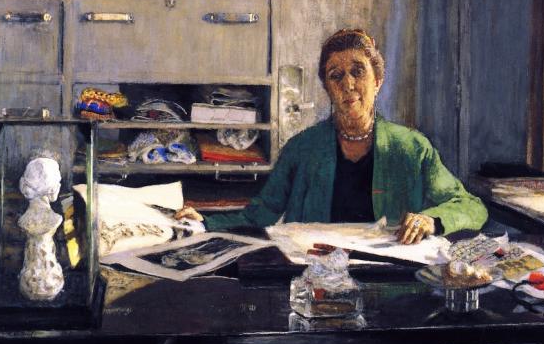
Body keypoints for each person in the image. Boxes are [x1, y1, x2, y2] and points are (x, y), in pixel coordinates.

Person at [177, 28, 487, 241]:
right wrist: (205, 222)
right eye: (336, 76)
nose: (348, 84)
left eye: (358, 71)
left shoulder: (412, 148)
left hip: (390, 276)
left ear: (378, 80)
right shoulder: (302, 148)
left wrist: (431, 220)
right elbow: (261, 213)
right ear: (327, 88)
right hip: (315, 271)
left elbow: (471, 206)